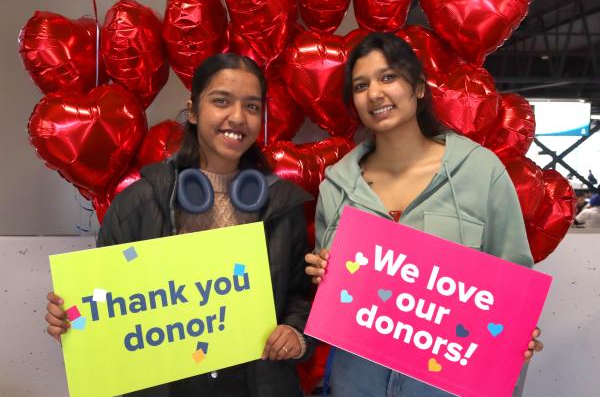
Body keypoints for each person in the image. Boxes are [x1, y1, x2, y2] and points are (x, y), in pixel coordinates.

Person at [45, 53, 313, 397]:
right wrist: (71, 318)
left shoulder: (281, 206)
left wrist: (295, 331)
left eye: (251, 106)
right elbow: (103, 304)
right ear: (193, 110)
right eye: (221, 101)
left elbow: (300, 296)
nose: (237, 117)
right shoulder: (137, 205)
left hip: (255, 384)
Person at [305, 33, 543, 396]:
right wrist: (322, 274)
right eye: (360, 85)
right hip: (357, 382)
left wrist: (516, 331)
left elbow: (513, 282)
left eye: (388, 78)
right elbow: (336, 296)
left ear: (417, 87)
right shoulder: (336, 187)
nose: (375, 94)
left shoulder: (479, 171)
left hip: (448, 385)